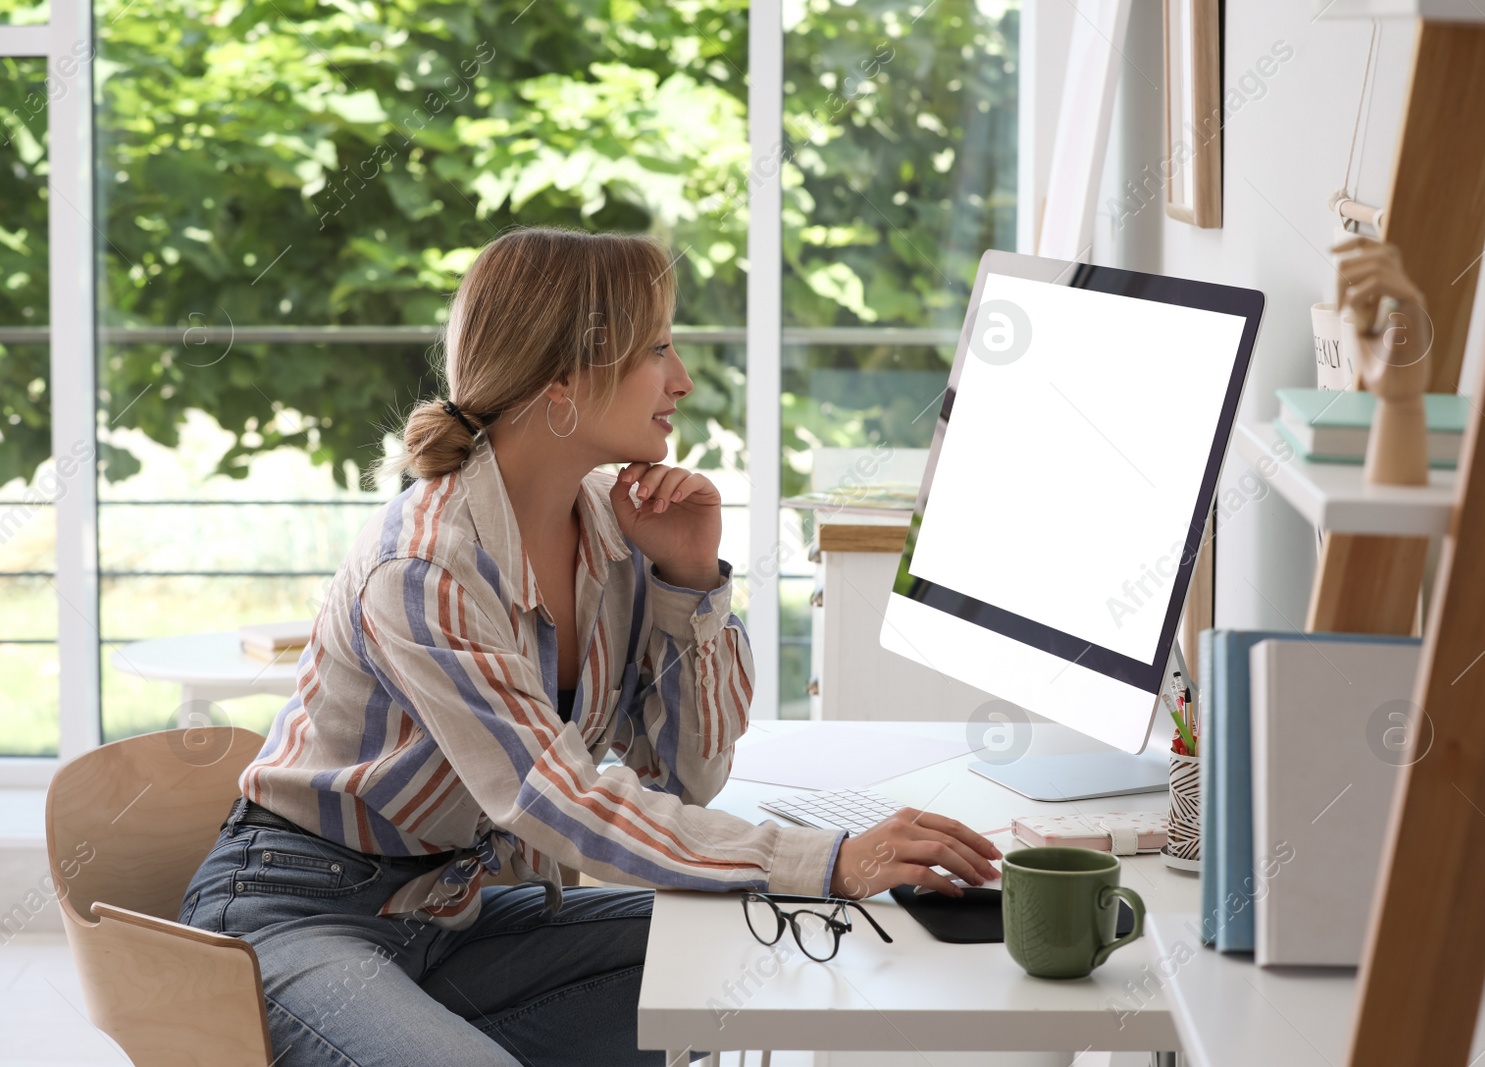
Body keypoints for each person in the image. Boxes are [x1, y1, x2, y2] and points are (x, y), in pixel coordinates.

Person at [178, 225, 1002, 1067]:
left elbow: (688, 775)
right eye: (658, 349)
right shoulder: (426, 564)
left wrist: (688, 581)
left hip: (455, 917)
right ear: (564, 380)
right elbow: (555, 798)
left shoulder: (617, 528)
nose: (681, 380)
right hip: (300, 910)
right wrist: (825, 856)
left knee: (757, 939)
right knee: (780, 898)